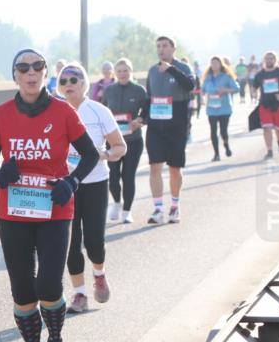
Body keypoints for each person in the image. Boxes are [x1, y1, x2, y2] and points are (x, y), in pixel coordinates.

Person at [0, 49, 99, 342]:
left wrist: (72, 181)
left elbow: (89, 154)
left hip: (55, 209)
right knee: (21, 289)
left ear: (46, 72)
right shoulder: (1, 115)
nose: (30, 73)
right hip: (13, 211)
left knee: (48, 282)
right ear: (14, 75)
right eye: (22, 68)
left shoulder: (63, 112)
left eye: (37, 67)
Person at [57, 63, 126, 314]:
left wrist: (104, 154)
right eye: (63, 81)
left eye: (73, 80)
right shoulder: (55, 111)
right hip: (66, 184)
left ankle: (99, 274)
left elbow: (120, 147)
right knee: (70, 242)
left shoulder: (98, 111)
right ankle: (80, 293)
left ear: (84, 83)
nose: (68, 85)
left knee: (94, 240)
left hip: (95, 182)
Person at [145, 36, 195, 225]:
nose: (161, 49)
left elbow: (191, 86)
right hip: (156, 126)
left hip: (177, 124)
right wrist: (142, 117)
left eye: (165, 46)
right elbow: (149, 97)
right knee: (154, 166)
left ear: (174, 48)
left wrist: (172, 69)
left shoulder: (183, 68)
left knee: (175, 168)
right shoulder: (152, 71)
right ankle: (158, 209)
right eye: (158, 46)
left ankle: (175, 206)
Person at [102, 58, 148, 223]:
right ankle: (116, 202)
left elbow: (147, 110)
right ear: (115, 73)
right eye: (119, 71)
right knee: (113, 177)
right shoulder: (109, 91)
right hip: (113, 141)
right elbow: (102, 112)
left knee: (128, 176)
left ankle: (127, 211)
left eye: (125, 70)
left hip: (133, 141)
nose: (122, 74)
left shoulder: (139, 91)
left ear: (131, 72)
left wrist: (140, 120)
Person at [251, 51, 279, 159]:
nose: (269, 60)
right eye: (267, 58)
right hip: (265, 104)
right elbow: (254, 86)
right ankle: (269, 150)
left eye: (271, 58)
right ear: (264, 60)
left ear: (275, 60)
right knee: (266, 128)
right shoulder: (260, 74)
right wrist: (254, 93)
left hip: (278, 105)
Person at [200, 56, 240, 162]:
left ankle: (226, 146)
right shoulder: (208, 77)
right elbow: (203, 89)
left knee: (223, 131)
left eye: (216, 63)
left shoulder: (226, 76)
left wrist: (225, 90)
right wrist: (202, 93)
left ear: (221, 64)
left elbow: (237, 88)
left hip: (224, 108)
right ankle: (216, 154)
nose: (214, 65)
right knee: (213, 131)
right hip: (212, 108)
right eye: (212, 63)